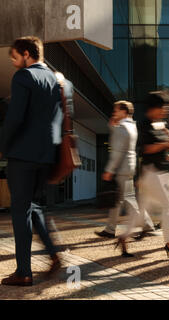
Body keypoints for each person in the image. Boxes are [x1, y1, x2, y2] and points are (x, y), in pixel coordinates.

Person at [0, 36, 61, 286]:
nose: (14, 63)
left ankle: (24, 272)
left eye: (15, 57)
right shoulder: (55, 80)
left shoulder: (24, 77)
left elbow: (14, 118)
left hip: (23, 156)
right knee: (33, 207)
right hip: (46, 156)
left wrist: (2, 146)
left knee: (20, 211)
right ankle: (53, 254)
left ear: (26, 53)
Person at [95, 101, 155, 256]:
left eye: (116, 110)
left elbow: (117, 152)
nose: (114, 113)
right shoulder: (131, 126)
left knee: (127, 199)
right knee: (119, 200)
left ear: (123, 111)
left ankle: (147, 224)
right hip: (128, 167)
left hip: (121, 168)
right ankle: (110, 229)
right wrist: (112, 127)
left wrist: (109, 170)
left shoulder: (122, 128)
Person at [135, 92, 169, 259]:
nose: (165, 111)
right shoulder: (144, 124)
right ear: (154, 108)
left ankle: (122, 237)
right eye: (163, 107)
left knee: (147, 208)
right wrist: (167, 143)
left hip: (161, 171)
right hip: (151, 172)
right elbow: (146, 149)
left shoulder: (158, 124)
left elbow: (163, 146)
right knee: (167, 204)